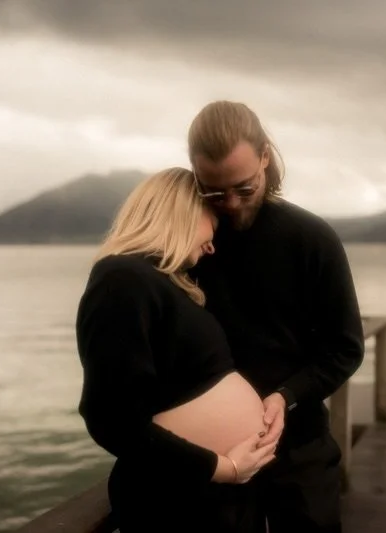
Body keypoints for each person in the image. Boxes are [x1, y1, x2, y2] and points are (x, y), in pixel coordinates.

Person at [187, 101, 366, 533]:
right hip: (215, 456)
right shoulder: (188, 244)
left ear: (266, 157)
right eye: (213, 191)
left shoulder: (312, 238)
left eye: (244, 188)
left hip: (300, 443)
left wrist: (286, 395)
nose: (230, 204)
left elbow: (345, 348)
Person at [75, 167, 279, 533]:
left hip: (216, 496)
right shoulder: (121, 278)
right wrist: (222, 468)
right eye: (212, 218)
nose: (213, 242)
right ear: (180, 209)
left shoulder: (164, 284)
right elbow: (111, 419)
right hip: (179, 502)